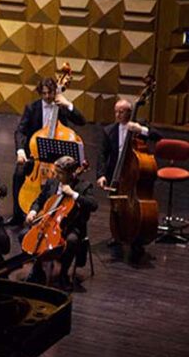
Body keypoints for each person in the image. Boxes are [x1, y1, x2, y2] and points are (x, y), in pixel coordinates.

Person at [12, 77, 87, 224]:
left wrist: (68, 104)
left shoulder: (62, 107)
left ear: (55, 92)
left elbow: (82, 121)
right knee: (19, 173)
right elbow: (20, 131)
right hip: (37, 157)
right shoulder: (31, 108)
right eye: (44, 93)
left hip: (58, 159)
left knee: (62, 178)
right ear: (40, 93)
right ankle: (17, 215)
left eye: (50, 93)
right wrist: (20, 150)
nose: (47, 97)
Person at [97, 98, 163, 264]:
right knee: (116, 206)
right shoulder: (109, 130)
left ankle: (136, 239)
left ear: (129, 112)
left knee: (133, 206)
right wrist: (101, 175)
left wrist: (141, 129)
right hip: (116, 174)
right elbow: (102, 155)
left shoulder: (137, 125)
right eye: (116, 112)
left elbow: (158, 136)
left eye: (122, 112)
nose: (118, 115)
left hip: (133, 174)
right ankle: (118, 234)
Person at [25, 155, 98, 288]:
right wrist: (33, 211)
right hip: (50, 223)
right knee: (26, 235)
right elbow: (39, 200)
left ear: (70, 174)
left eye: (60, 174)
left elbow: (93, 205)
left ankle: (63, 273)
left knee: (71, 241)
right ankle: (38, 270)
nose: (56, 176)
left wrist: (74, 194)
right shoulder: (51, 183)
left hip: (72, 227)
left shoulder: (83, 186)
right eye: (56, 172)